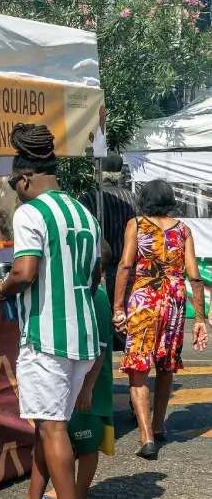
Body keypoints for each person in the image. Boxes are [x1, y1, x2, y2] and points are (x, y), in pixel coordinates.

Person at [0, 123, 102, 499]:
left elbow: (24, 273)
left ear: (23, 180)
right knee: (49, 424)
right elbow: (97, 266)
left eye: (11, 185)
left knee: (53, 428)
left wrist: (1, 288)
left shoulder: (30, 213)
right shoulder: (84, 213)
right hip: (84, 337)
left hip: (47, 339)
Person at [113, 179, 209, 458]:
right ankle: (158, 426)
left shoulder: (137, 224)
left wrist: (118, 307)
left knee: (138, 366)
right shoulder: (183, 230)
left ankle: (146, 438)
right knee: (166, 364)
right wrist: (200, 318)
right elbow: (194, 276)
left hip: (145, 298)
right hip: (175, 300)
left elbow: (125, 265)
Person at [42, 241, 115, 499]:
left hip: (91, 387)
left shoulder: (99, 299)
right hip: (74, 381)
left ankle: (80, 493)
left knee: (87, 444)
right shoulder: (78, 293)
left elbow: (102, 348)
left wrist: (87, 389)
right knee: (63, 438)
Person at [79, 152, 137, 309]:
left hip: (100, 274)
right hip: (129, 272)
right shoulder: (133, 199)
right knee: (124, 322)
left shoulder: (89, 199)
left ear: (96, 172)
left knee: (102, 323)